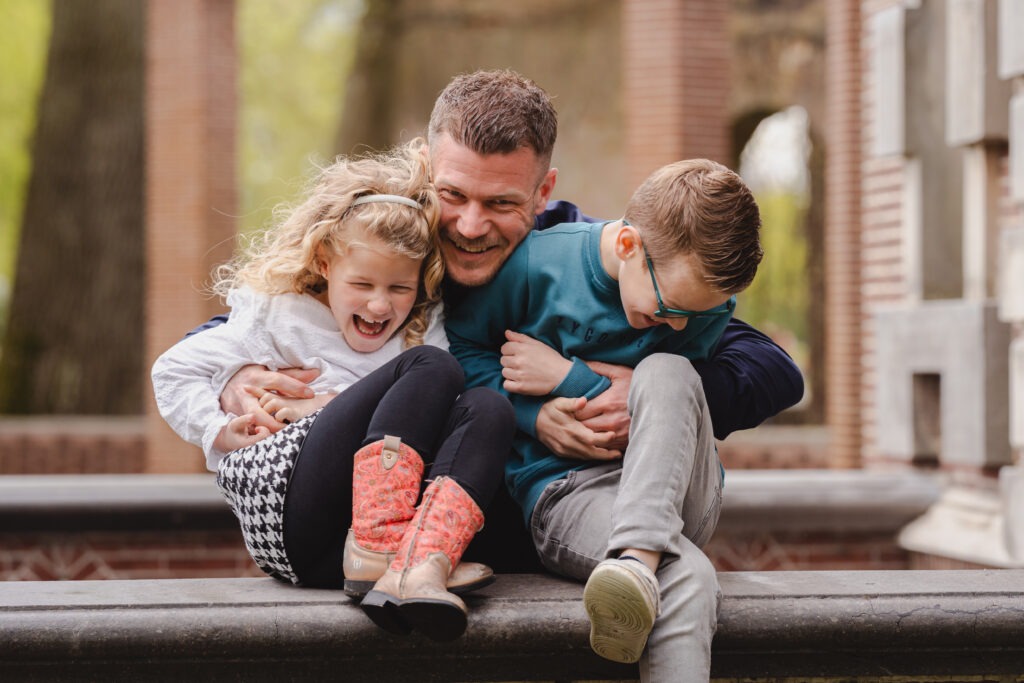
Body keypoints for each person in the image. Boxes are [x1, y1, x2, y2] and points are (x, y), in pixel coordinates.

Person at [197, 70, 803, 571]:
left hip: (530, 536)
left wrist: (631, 396)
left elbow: (766, 366)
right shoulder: (391, 247)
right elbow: (265, 311)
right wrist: (231, 372)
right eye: (453, 195)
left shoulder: (580, 264)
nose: (469, 225)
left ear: (543, 194)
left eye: (502, 203)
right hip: (367, 532)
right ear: (428, 171)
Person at [152, 141, 514, 641]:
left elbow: (441, 413)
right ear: (324, 263)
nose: (380, 305)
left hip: (344, 566)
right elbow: (172, 372)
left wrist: (318, 403)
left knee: (487, 407)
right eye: (362, 284)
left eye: (399, 289)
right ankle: (383, 550)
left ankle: (420, 562)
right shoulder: (280, 315)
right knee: (432, 368)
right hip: (295, 520)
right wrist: (217, 432)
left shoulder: (421, 326)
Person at [445, 157, 761, 681]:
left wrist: (571, 381)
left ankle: (635, 564)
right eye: (668, 306)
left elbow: (672, 406)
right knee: (687, 575)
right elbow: (458, 350)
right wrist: (531, 412)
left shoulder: (702, 304)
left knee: (669, 369)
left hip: (680, 492)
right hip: (568, 493)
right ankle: (639, 566)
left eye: (695, 314)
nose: (678, 322)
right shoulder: (536, 265)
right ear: (627, 246)